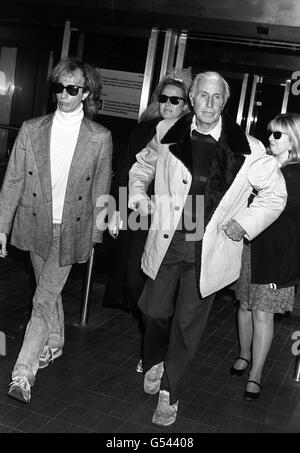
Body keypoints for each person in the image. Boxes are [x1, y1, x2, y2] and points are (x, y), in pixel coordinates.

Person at [128, 71, 287, 426]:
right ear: (192, 97)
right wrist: (138, 197)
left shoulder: (249, 148)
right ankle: (153, 358)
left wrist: (245, 222)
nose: (210, 104)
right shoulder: (167, 133)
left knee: (187, 325)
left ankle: (171, 393)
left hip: (208, 253)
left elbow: (275, 194)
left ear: (225, 102)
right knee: (153, 310)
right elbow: (141, 168)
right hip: (168, 243)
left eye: (217, 97)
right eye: (203, 96)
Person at [0, 58, 112, 403]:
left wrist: (94, 236)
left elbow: (101, 192)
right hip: (35, 222)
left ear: (86, 92)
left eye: (72, 89)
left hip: (72, 228)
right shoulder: (32, 128)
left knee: (42, 298)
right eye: (59, 87)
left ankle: (23, 373)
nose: (64, 94)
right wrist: (2, 226)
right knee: (48, 293)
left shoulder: (99, 137)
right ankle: (55, 342)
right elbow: (14, 181)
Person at [103, 75, 191, 372]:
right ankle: (153, 344)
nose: (167, 104)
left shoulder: (192, 135)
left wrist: (195, 227)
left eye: (175, 100)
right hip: (139, 211)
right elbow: (126, 168)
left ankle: (153, 353)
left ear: (186, 105)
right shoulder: (143, 130)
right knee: (135, 279)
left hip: (177, 219)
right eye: (163, 98)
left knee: (164, 288)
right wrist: (116, 209)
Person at [231, 113, 300, 400]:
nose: (270, 138)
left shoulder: (295, 173)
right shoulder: (264, 165)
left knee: (262, 313)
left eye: (278, 135)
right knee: (245, 305)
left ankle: (256, 374)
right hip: (251, 249)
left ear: (294, 140)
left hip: (278, 256)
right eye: (270, 132)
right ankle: (244, 355)